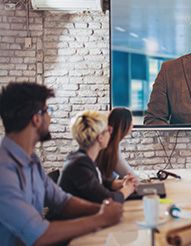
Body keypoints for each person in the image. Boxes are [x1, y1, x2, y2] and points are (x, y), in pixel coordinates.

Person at [0, 82, 123, 245]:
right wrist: (100, 219)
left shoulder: (32, 161)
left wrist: (100, 210)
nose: (50, 118)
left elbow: (62, 201)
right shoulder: (4, 171)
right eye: (48, 111)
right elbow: (38, 234)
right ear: (36, 119)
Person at [59, 111, 136, 203]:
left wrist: (117, 183)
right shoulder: (79, 166)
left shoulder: (83, 159)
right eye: (109, 130)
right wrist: (128, 189)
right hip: (73, 217)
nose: (111, 133)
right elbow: (108, 200)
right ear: (100, 138)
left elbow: (98, 182)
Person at [96, 107, 137, 184]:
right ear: (124, 124)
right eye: (131, 122)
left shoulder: (112, 144)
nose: (132, 125)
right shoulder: (111, 148)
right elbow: (131, 176)